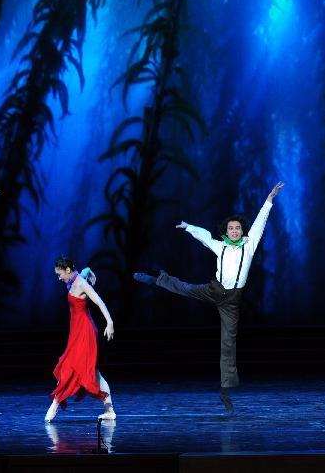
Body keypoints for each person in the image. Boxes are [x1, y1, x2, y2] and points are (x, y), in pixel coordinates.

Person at [133, 181, 285, 413]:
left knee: (228, 342)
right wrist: (189, 227)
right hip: (214, 290)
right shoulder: (220, 246)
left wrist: (269, 200)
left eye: (238, 228)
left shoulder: (249, 245)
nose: (234, 231)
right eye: (231, 229)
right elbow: (204, 236)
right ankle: (157, 279)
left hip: (232, 300)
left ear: (242, 231)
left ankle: (225, 389)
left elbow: (260, 223)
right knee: (185, 288)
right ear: (226, 231)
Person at [45, 257, 116, 423]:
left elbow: (99, 301)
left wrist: (110, 322)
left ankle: (55, 402)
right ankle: (110, 410)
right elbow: (82, 272)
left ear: (67, 270)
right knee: (92, 372)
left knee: (70, 366)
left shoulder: (81, 284)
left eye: (59, 274)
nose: (59, 278)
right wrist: (89, 269)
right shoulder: (74, 278)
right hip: (76, 332)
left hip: (86, 333)